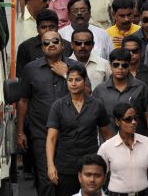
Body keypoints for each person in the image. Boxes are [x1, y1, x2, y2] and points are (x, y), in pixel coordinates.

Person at [17, 30, 81, 196]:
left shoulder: (75, 67)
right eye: (46, 43)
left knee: (68, 179)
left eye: (55, 41)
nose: (51, 44)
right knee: (46, 178)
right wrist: (20, 131)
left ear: (62, 44)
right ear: (42, 47)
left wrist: (66, 74)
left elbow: (86, 95)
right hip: (41, 133)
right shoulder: (31, 69)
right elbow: (23, 101)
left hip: (71, 134)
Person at [46, 63, 112, 196]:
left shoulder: (96, 105)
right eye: (70, 80)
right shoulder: (58, 106)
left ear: (85, 81)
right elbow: (51, 138)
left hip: (91, 165)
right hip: (66, 165)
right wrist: (51, 166)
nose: (73, 84)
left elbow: (107, 136)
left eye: (77, 80)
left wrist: (111, 162)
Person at [93, 48, 148, 138]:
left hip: (137, 143)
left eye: (124, 65)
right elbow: (95, 121)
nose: (120, 68)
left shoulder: (141, 87)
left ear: (129, 66)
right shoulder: (100, 90)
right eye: (116, 65)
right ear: (110, 65)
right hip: (109, 145)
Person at [98, 103, 148, 195]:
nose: (133, 122)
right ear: (117, 122)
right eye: (128, 119)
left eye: (135, 118)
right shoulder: (106, 147)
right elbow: (98, 175)